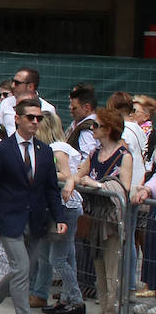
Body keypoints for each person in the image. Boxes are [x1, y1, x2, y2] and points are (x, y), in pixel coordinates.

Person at [0, 98, 67, 314]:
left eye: (39, 118)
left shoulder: (44, 151)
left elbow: (51, 188)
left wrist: (59, 217)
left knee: (22, 269)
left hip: (36, 220)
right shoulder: (2, 150)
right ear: (17, 119)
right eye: (30, 117)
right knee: (21, 268)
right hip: (9, 218)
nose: (35, 122)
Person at [63, 108, 131, 314]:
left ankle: (113, 311)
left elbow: (124, 188)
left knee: (112, 274)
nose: (92, 129)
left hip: (112, 221)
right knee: (100, 272)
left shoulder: (123, 156)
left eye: (96, 125)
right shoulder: (94, 153)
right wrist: (69, 183)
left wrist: (96, 185)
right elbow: (78, 174)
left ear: (108, 129)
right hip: (95, 218)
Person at [31, 112, 84, 314]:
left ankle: (76, 300)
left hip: (65, 206)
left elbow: (66, 175)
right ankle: (66, 298)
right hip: (57, 206)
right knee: (63, 256)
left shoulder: (57, 149)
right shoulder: (51, 148)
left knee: (59, 259)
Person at [0, 68, 56, 137]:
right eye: (12, 81)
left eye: (17, 83)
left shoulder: (48, 109)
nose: (12, 86)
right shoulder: (5, 103)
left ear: (30, 86)